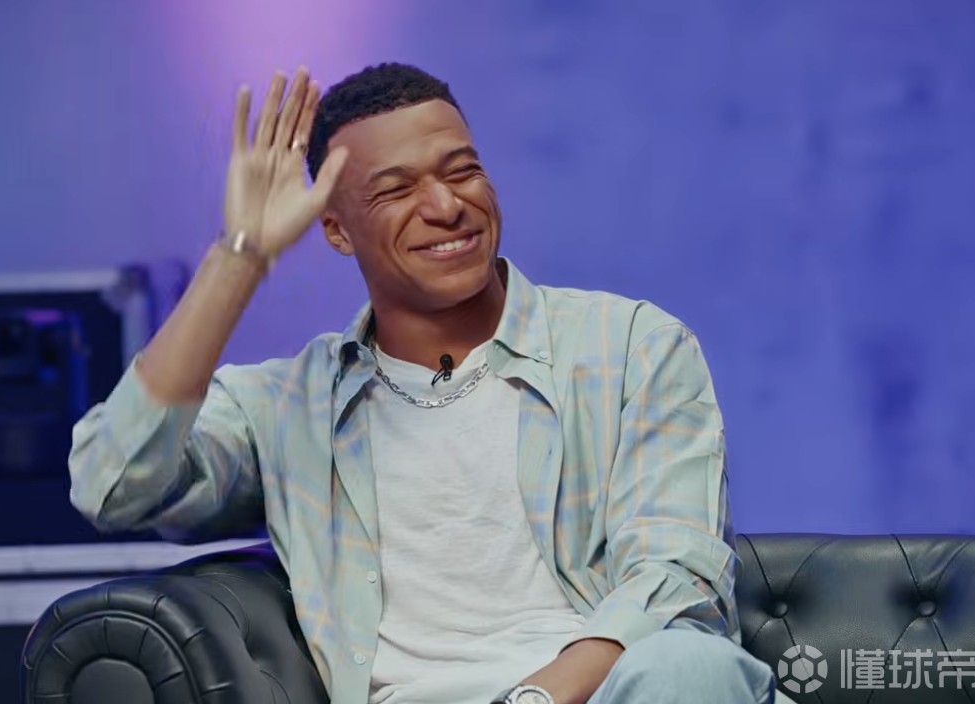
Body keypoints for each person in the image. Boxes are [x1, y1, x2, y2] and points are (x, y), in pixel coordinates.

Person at [68, 63, 780, 704]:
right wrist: (240, 258)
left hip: (608, 692)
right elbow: (113, 485)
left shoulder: (630, 346)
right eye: (396, 189)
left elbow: (678, 575)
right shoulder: (285, 407)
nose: (446, 206)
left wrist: (534, 699)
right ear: (337, 231)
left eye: (462, 171)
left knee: (691, 666)